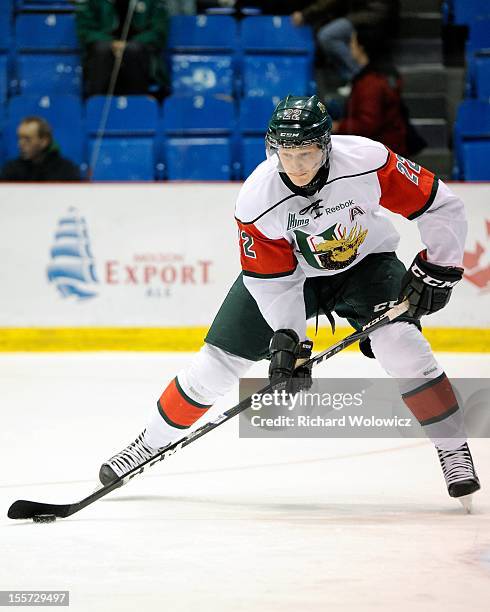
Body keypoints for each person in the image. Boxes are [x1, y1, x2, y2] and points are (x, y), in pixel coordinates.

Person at [99, 94, 480, 506]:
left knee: (402, 348)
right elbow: (272, 282)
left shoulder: (367, 161)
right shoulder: (257, 200)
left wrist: (441, 266)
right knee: (215, 366)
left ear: (326, 146)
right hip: (290, 278)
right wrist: (290, 341)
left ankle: (452, 449)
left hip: (366, 266)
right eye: (286, 153)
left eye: (307, 153)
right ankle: (147, 445)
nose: (296, 166)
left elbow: (440, 205)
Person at [332, 25, 409, 156]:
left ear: (362, 47)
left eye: (352, 42)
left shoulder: (371, 83)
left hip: (379, 152)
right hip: (387, 148)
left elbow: (367, 124)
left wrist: (338, 127)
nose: (350, 46)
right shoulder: (384, 75)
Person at [75, 0, 169, 98]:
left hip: (140, 55)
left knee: (134, 50)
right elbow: (85, 32)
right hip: (102, 56)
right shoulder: (92, 2)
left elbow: (158, 32)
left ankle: (138, 102)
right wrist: (112, 43)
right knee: (102, 50)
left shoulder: (152, 2)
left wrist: (127, 45)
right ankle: (96, 103)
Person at [291, 1, 395, 84]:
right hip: (368, 10)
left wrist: (305, 14)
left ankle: (358, 78)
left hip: (371, 13)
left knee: (327, 36)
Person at [0, 117, 81, 182]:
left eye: (27, 139)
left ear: (44, 141)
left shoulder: (65, 170)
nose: (20, 144)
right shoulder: (11, 170)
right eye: (19, 138)